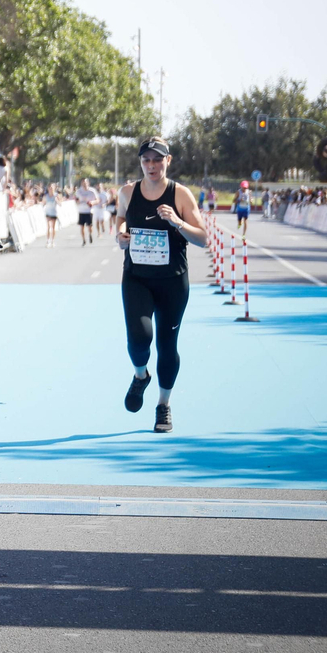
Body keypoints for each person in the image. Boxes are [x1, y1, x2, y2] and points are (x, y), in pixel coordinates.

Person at [115, 136, 208, 435]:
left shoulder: (180, 195)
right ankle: (141, 376)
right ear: (141, 162)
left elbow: (203, 238)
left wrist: (178, 223)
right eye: (146, 160)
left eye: (158, 160)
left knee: (167, 347)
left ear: (168, 161)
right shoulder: (128, 191)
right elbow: (120, 218)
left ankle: (163, 405)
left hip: (172, 281)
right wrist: (120, 236)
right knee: (139, 338)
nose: (152, 165)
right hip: (137, 278)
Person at [76, 178, 100, 244]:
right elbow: (76, 200)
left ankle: (90, 234)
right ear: (81, 183)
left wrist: (92, 202)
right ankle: (84, 239)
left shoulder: (92, 191)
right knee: (82, 227)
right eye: (83, 183)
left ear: (88, 183)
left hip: (89, 211)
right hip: (81, 211)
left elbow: (98, 200)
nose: (84, 184)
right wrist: (77, 202)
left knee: (89, 226)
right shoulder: (79, 191)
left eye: (85, 183)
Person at [43, 183, 59, 247]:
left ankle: (52, 241)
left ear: (54, 188)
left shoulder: (56, 195)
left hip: (54, 213)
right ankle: (48, 240)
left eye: (52, 188)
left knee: (53, 227)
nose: (51, 189)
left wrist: (56, 200)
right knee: (49, 226)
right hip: (48, 213)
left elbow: (60, 203)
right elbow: (43, 203)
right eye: (50, 188)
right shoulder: (46, 196)